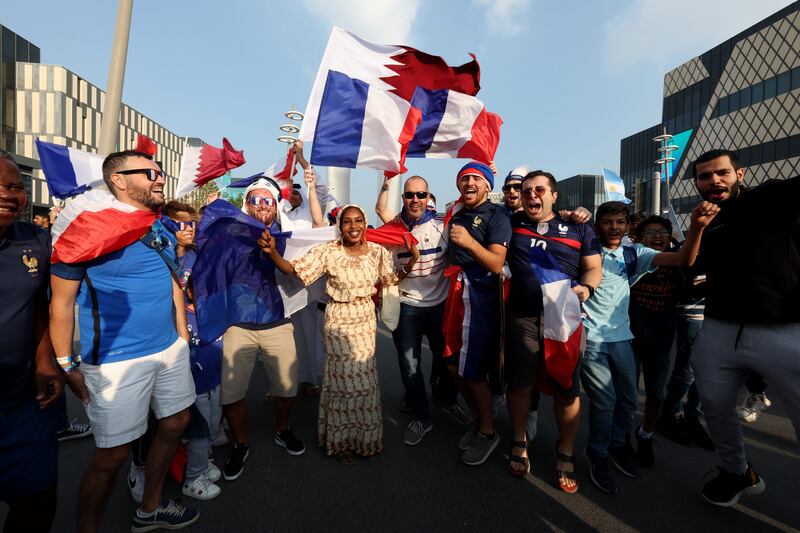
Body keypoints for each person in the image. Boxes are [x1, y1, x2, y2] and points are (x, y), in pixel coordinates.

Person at [49, 150, 199, 533]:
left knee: (176, 420)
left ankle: (149, 510)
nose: (160, 178)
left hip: (168, 350)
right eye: (151, 173)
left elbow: (171, 278)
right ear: (119, 180)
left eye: (160, 172)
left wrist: (180, 335)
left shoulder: (156, 224)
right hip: (116, 361)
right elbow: (61, 304)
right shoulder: (85, 229)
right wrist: (66, 365)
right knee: (111, 455)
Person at [260, 204, 419, 464]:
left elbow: (390, 280)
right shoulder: (328, 252)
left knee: (365, 381)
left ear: (365, 224)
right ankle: (341, 440)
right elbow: (296, 272)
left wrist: (411, 262)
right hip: (337, 323)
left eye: (358, 220)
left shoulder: (378, 253)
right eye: (347, 222)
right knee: (342, 383)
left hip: (366, 322)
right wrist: (273, 253)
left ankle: (365, 440)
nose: (353, 226)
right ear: (340, 226)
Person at [580, 199, 718, 495]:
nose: (613, 227)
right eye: (607, 222)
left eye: (619, 222)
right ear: (598, 225)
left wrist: (697, 227)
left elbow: (683, 259)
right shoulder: (586, 248)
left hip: (622, 339)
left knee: (628, 401)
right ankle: (598, 454)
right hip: (591, 339)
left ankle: (619, 446)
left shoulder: (635, 253)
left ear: (628, 225)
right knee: (605, 402)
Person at [688, 149, 800, 507]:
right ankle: (737, 472)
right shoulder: (706, 219)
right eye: (705, 177)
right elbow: (689, 269)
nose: (714, 181)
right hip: (719, 330)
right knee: (714, 407)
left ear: (740, 174)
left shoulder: (770, 197)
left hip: (782, 328)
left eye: (722, 173)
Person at [504, 171, 601, 493]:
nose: (533, 195)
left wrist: (587, 288)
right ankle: (519, 440)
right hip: (523, 318)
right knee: (519, 385)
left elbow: (593, 266)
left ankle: (566, 451)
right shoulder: (512, 221)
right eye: (527, 190)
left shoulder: (579, 226)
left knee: (567, 389)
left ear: (554, 196)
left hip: (565, 320)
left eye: (540, 190)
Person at [217, 177, 305, 482]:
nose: (261, 207)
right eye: (255, 201)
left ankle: (282, 428)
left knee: (288, 388)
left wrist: (273, 252)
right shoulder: (229, 236)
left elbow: (299, 272)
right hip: (237, 325)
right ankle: (241, 443)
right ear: (246, 205)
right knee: (232, 393)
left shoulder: (289, 238)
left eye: (267, 201)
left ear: (276, 206)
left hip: (276, 322)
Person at [375, 174, 469, 447]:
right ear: (403, 198)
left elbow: (470, 199)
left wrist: (487, 169)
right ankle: (420, 416)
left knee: (446, 362)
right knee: (410, 366)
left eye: (420, 195)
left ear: (428, 198)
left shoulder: (443, 224)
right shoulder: (394, 228)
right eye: (409, 195)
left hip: (440, 306)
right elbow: (381, 209)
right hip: (407, 307)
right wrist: (385, 183)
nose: (415, 200)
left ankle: (446, 400)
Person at [0, 151, 62, 533]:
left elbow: (39, 304)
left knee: (37, 502)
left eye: (15, 186)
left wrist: (45, 362)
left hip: (23, 406)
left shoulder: (35, 241)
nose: (8, 194)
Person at [442, 161, 511, 466]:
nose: (469, 183)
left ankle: (487, 431)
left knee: (471, 369)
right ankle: (478, 418)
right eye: (464, 178)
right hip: (456, 294)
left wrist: (469, 242)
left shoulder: (497, 216)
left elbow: (497, 264)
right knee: (451, 363)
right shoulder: (456, 214)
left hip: (481, 299)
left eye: (476, 178)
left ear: (487, 186)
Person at [628, 215, 685, 467]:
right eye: (650, 232)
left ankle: (646, 434)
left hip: (662, 339)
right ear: (639, 238)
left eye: (662, 231)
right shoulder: (633, 259)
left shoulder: (680, 261)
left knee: (657, 393)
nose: (657, 236)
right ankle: (619, 437)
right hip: (630, 337)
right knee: (626, 393)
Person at [181, 277, 223, 500]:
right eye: (199, 291)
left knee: (214, 423)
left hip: (215, 380)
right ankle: (196, 470)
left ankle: (205, 460)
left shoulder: (216, 312)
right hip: (195, 386)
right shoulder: (180, 316)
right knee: (201, 427)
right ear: (189, 293)